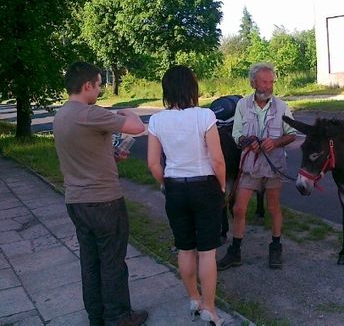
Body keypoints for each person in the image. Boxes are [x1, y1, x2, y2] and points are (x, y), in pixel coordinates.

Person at [53, 62, 147, 326]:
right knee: (113, 260)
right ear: (87, 86)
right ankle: (119, 317)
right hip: (104, 200)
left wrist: (112, 156)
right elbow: (136, 127)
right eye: (98, 83)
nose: (100, 88)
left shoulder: (62, 115)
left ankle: (97, 315)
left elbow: (83, 154)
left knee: (90, 260)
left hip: (76, 200)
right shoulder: (89, 113)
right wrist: (128, 109)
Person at [147, 65, 226, 326]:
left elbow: (153, 164)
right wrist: (222, 186)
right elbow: (217, 160)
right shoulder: (205, 116)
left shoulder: (157, 120)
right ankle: (210, 309)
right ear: (192, 88)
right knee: (207, 252)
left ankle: (193, 298)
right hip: (204, 186)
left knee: (185, 248)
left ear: (166, 90)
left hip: (175, 188)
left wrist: (166, 183)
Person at [217, 62, 296, 271]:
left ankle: (276, 247)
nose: (268, 86)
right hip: (250, 166)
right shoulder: (242, 105)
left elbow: (292, 134)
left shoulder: (282, 106)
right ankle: (235, 252)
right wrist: (246, 141)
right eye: (264, 82)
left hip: (273, 166)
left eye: (271, 82)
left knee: (273, 207)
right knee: (239, 208)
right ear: (253, 83)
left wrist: (276, 142)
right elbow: (236, 135)